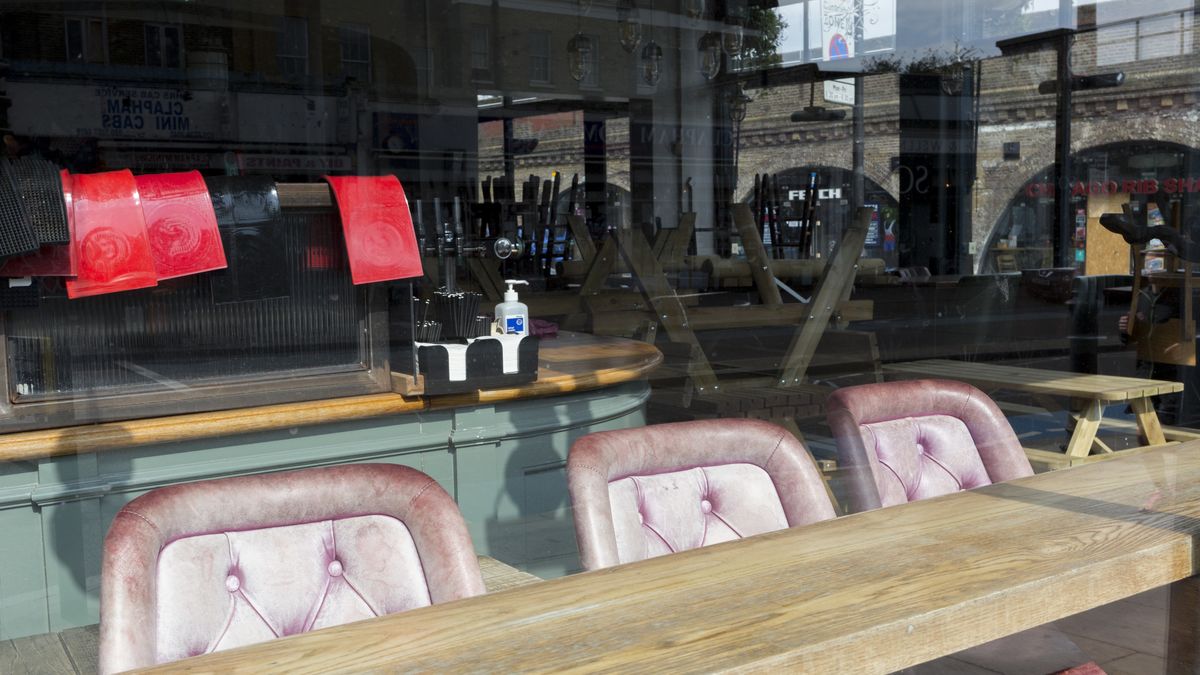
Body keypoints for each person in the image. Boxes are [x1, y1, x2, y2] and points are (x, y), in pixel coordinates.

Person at [1119, 241, 1200, 427]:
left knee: (1165, 426)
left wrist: (1187, 347)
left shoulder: (1183, 296)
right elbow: (1131, 338)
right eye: (1149, 263)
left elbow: (1193, 335)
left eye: (1157, 263)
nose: (1152, 269)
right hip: (1145, 375)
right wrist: (1126, 329)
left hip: (1171, 377)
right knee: (1143, 427)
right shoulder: (1142, 295)